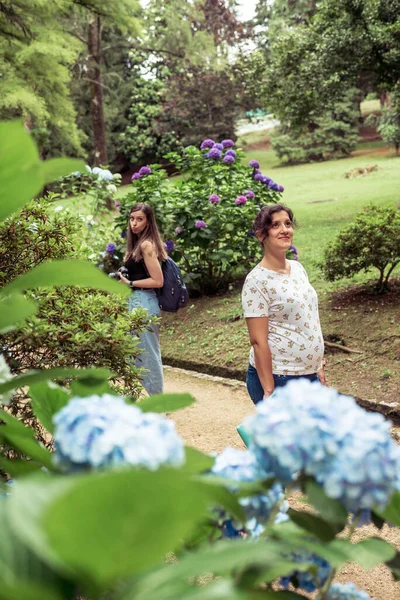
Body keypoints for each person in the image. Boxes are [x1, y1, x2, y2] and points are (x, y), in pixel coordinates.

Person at [242, 204, 326, 405]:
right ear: (262, 235)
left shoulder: (298, 268)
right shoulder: (256, 281)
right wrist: (269, 389)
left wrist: (317, 366)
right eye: (276, 225)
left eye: (288, 224)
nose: (285, 230)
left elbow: (309, 319)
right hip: (281, 378)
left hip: (309, 374)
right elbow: (258, 340)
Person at [119, 202, 167, 396]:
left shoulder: (147, 245)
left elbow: (158, 281)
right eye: (132, 219)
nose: (134, 223)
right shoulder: (136, 245)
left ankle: (158, 403)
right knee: (134, 354)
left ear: (148, 222)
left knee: (149, 354)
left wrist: (130, 284)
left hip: (144, 303)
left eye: (140, 219)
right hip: (135, 302)